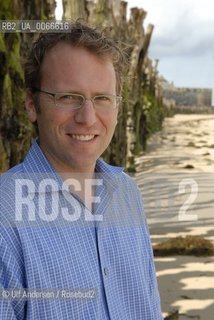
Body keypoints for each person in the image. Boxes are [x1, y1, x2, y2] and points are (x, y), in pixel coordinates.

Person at [0, 21, 163, 319]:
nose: (88, 118)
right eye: (68, 97)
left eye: (102, 98)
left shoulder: (127, 193)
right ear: (31, 105)